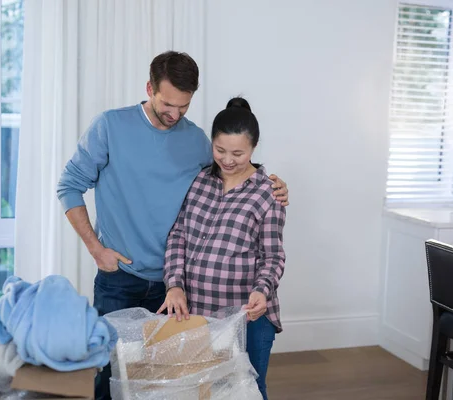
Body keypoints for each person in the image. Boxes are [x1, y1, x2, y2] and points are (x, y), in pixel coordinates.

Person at [56, 52, 289, 400]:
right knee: (110, 374)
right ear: (150, 87)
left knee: (167, 383)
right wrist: (95, 247)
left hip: (177, 289)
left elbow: (232, 174)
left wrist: (275, 186)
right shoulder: (109, 126)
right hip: (121, 279)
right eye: (168, 103)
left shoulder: (197, 141)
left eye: (184, 105)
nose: (175, 114)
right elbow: (69, 186)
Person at [158, 97, 286, 400]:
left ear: (253, 148)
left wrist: (262, 290)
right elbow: (178, 236)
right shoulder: (200, 180)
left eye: (238, 153)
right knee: (202, 389)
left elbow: (273, 255)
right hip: (199, 313)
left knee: (247, 389)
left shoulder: (268, 193)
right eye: (220, 150)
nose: (228, 160)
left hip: (247, 317)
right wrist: (174, 284)